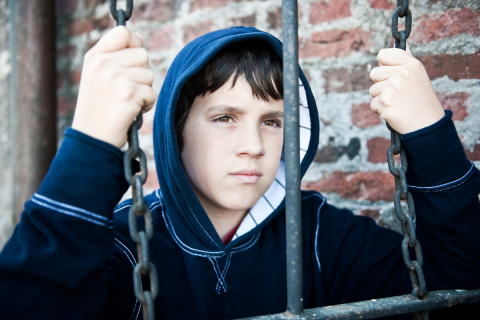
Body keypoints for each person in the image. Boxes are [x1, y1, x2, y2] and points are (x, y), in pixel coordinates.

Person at [0, 26, 479, 320]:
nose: (253, 147)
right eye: (224, 117)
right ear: (176, 131)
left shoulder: (318, 235)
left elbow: (455, 289)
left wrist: (429, 134)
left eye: (271, 122)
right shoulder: (125, 245)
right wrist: (91, 141)